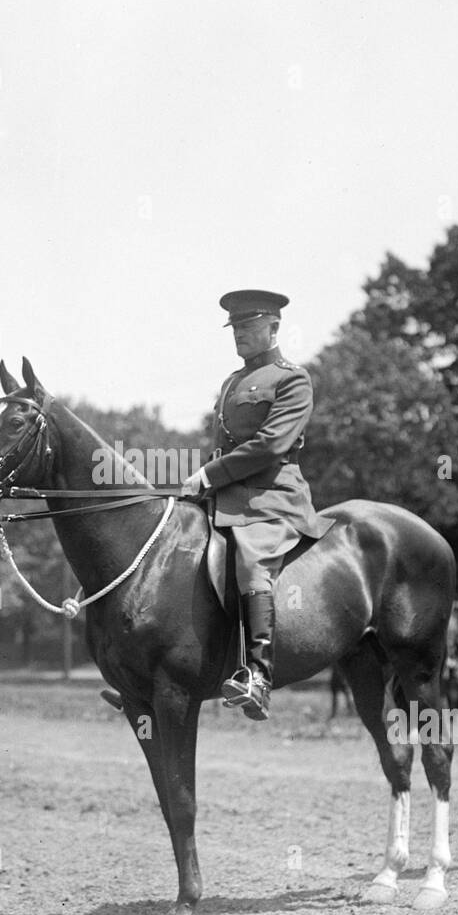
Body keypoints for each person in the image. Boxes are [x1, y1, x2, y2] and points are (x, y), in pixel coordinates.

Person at [181, 289, 334, 720]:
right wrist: (201, 483)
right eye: (235, 328)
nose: (239, 334)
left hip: (273, 498)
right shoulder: (232, 382)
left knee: (251, 562)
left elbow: (270, 446)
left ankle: (258, 675)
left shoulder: (292, 379)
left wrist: (210, 475)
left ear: (274, 327)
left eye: (248, 326)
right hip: (225, 495)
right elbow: (223, 447)